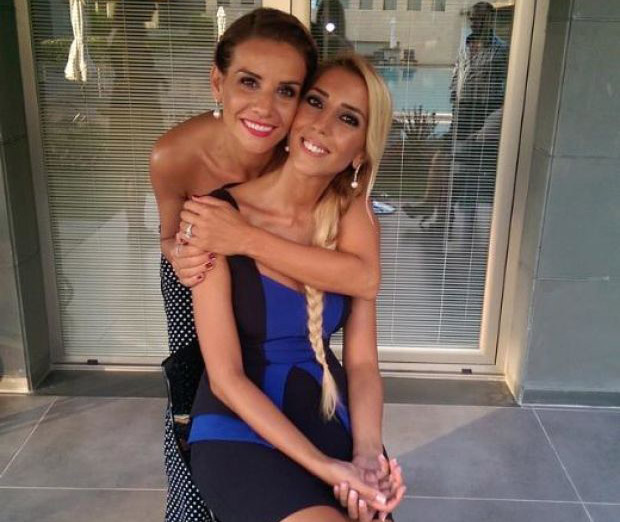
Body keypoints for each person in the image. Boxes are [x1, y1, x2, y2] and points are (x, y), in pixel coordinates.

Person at [150, 8, 401, 522]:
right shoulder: (195, 184)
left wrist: (365, 454)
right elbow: (225, 376)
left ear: (361, 152)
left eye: (349, 119)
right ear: (218, 83)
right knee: (189, 376)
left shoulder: (348, 210)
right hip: (233, 396)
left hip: (318, 399)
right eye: (317, 102)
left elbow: (362, 345)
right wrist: (183, 246)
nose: (321, 124)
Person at [403, 1, 507, 232]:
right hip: (462, 113)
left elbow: (507, 91)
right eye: (473, 18)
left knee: (451, 167)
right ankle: (431, 207)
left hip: (482, 115)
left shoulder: (501, 51)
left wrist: (489, 125)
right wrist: (454, 98)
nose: (475, 22)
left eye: (480, 18)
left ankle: (441, 217)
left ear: (490, 20)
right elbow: (457, 75)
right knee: (440, 159)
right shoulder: (466, 45)